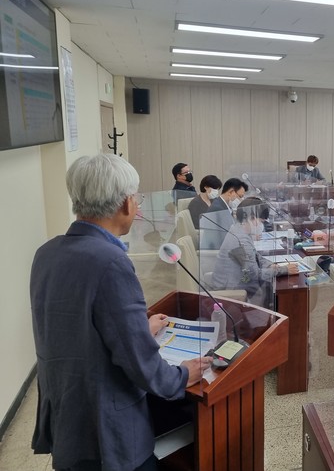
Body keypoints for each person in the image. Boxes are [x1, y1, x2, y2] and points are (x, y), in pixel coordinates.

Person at [30, 153, 211, 471]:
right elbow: (140, 364)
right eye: (136, 197)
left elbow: (76, 329)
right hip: (107, 431)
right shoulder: (110, 262)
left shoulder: (46, 253)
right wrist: (182, 375)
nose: (137, 204)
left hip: (66, 418)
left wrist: (140, 328)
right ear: (127, 203)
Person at [210, 198, 298, 308]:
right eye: (261, 222)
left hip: (236, 284)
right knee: (274, 290)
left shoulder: (238, 230)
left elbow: (256, 255)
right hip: (231, 295)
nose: (261, 226)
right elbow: (255, 275)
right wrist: (284, 270)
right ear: (252, 218)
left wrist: (269, 265)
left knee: (271, 287)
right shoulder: (240, 240)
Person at [200, 178, 249, 250]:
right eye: (240, 196)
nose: (241, 200)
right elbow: (225, 236)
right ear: (231, 192)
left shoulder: (223, 205)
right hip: (216, 251)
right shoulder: (219, 208)